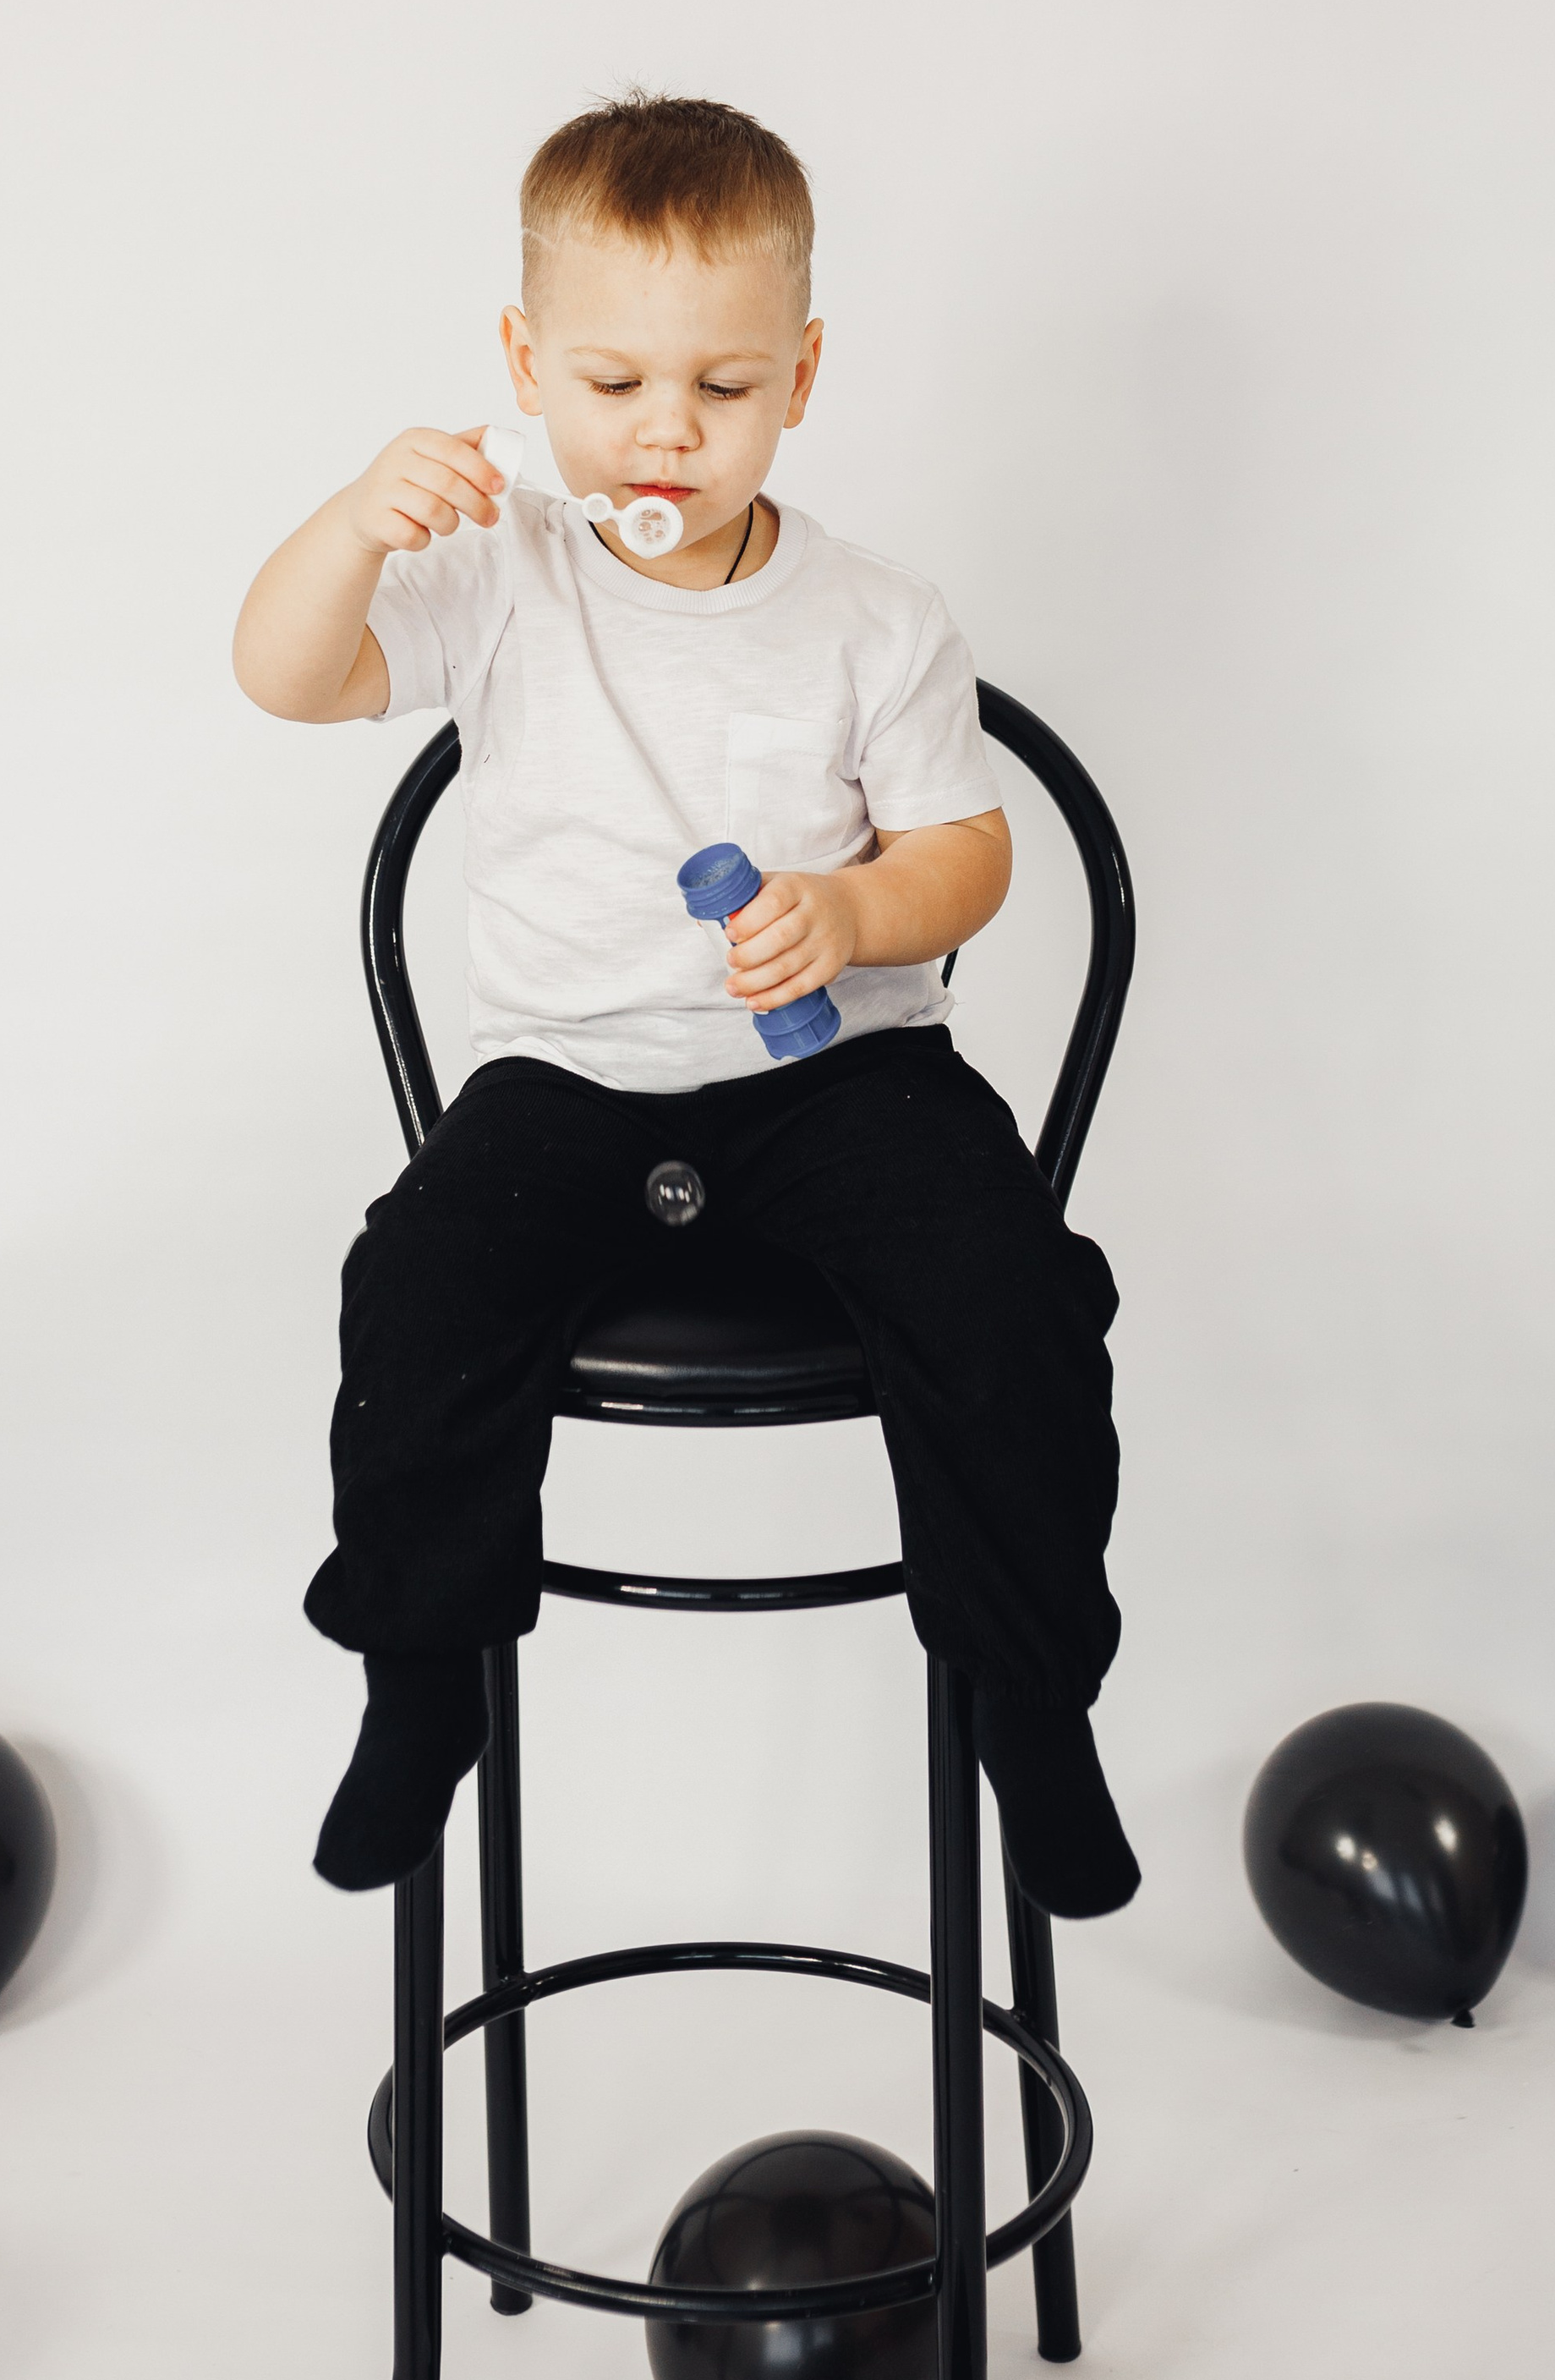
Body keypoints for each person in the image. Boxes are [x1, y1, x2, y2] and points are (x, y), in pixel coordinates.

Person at [233, 92, 1137, 1918]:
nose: (666, 432)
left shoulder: (876, 619)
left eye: (722, 390)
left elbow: (971, 855)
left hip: (836, 1090)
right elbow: (283, 677)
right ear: (522, 365)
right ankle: (418, 1683)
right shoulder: (501, 578)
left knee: (1015, 1290)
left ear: (798, 380)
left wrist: (855, 903)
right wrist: (348, 525)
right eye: (614, 382)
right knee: (410, 1284)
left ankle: (1029, 1698)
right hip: (569, 1084)